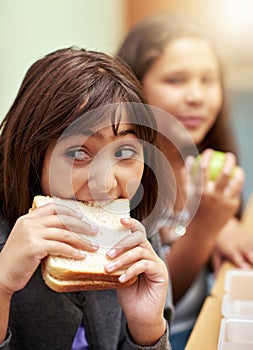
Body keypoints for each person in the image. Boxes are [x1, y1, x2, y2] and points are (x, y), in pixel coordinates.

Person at [0, 47, 174, 349]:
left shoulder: (138, 238)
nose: (105, 184)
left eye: (124, 152)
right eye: (79, 153)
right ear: (33, 157)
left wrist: (147, 325)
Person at [116, 12, 247, 349]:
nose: (197, 96)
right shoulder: (123, 178)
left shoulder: (201, 163)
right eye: (176, 80)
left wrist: (224, 224)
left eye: (208, 80)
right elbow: (145, 298)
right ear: (135, 85)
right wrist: (207, 227)